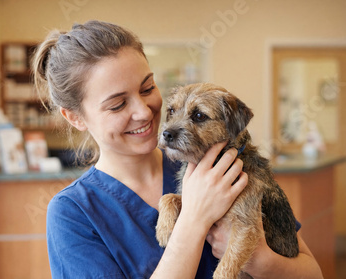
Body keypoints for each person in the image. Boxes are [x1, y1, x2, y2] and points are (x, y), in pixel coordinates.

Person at [32, 20, 323, 279]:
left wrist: (261, 261)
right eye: (118, 104)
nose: (144, 113)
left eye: (147, 88)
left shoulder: (218, 166)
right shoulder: (74, 213)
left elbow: (312, 273)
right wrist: (193, 221)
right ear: (76, 117)